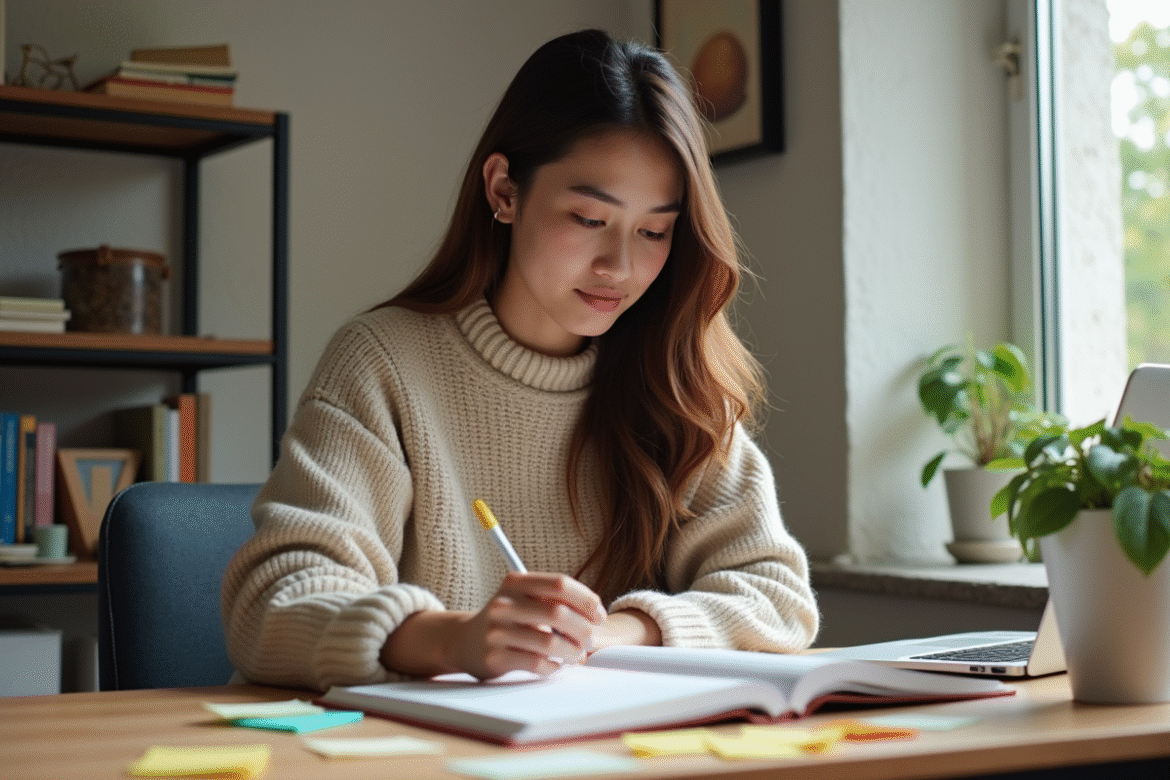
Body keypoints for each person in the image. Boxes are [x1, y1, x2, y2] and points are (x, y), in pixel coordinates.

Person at [221, 28, 819, 691]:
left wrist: (608, 634)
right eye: (590, 219)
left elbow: (778, 598)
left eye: (654, 231)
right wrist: (457, 639)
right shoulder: (384, 364)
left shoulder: (673, 378)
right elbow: (271, 605)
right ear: (505, 190)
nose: (619, 267)